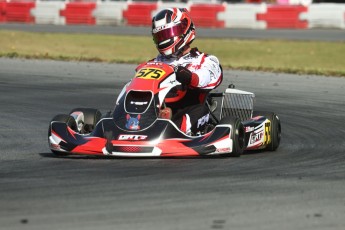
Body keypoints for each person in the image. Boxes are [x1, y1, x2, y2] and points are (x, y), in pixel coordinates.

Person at [136, 8, 223, 135]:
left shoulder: (203, 60)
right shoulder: (154, 63)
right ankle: (126, 123)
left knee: (200, 110)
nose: (164, 39)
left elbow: (208, 77)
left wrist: (189, 77)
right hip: (153, 109)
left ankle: (172, 130)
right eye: (160, 36)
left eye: (167, 34)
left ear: (184, 30)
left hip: (186, 110)